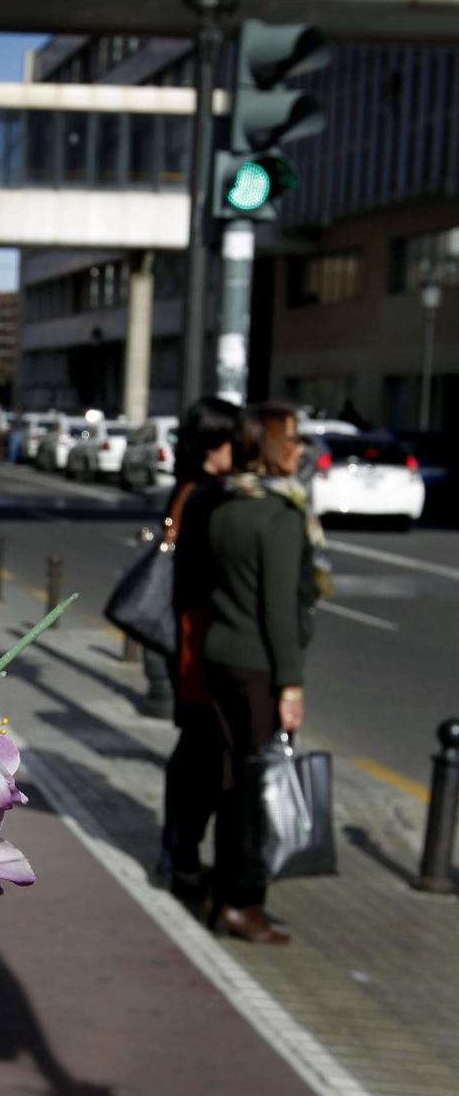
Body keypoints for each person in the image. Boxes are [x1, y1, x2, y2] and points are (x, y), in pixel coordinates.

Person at [201, 402, 327, 944]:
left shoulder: (228, 509)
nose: (301, 449)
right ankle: (244, 902)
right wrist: (291, 684)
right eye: (293, 439)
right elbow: (280, 610)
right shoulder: (280, 518)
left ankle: (221, 891)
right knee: (260, 786)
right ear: (272, 447)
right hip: (258, 667)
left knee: (234, 781)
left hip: (221, 656)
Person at [160, 396, 240, 910]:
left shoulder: (189, 490)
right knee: (202, 758)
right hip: (197, 647)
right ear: (216, 444)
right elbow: (199, 582)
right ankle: (182, 859)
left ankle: (178, 852)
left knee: (194, 752)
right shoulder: (203, 497)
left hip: (191, 643)